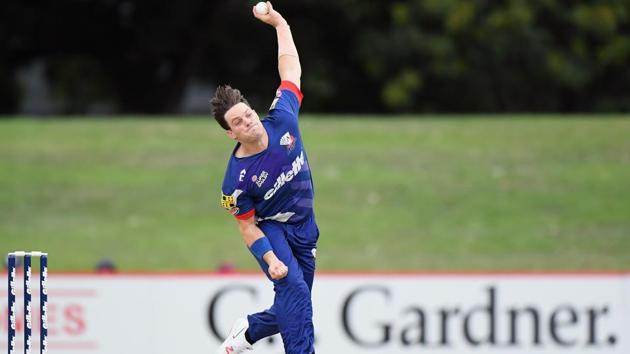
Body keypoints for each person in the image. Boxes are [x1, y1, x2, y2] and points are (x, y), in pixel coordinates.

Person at [210, 2, 318, 354]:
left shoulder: (283, 118)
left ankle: (252, 329)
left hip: (305, 226)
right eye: (238, 122)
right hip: (273, 231)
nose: (247, 121)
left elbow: (291, 69)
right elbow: (247, 227)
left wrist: (279, 23)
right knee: (297, 295)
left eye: (247, 114)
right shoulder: (236, 181)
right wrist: (270, 259)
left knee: (292, 306)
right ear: (231, 134)